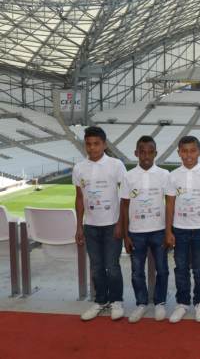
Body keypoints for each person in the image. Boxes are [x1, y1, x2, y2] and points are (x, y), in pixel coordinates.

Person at [73, 126, 126, 321]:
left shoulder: (116, 165)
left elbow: (124, 197)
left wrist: (121, 223)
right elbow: (79, 198)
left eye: (96, 144)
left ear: (104, 144)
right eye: (88, 144)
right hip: (91, 226)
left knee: (112, 266)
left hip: (112, 223)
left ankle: (117, 300)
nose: (92, 148)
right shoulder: (79, 168)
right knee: (96, 266)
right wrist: (79, 225)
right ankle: (100, 300)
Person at [165, 136, 200, 323]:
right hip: (179, 230)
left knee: (199, 268)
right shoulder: (173, 176)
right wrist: (168, 231)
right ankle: (182, 303)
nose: (188, 155)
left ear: (199, 152)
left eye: (192, 151)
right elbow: (170, 205)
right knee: (181, 268)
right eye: (184, 151)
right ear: (179, 152)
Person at [120, 135, 170, 323]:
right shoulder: (128, 176)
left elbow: (170, 204)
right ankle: (141, 303)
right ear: (136, 153)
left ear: (156, 153)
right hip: (136, 232)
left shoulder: (165, 175)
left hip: (159, 230)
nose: (146, 155)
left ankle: (160, 303)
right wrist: (126, 235)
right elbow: (124, 206)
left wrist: (168, 231)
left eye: (150, 152)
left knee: (162, 270)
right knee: (136, 271)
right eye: (142, 152)